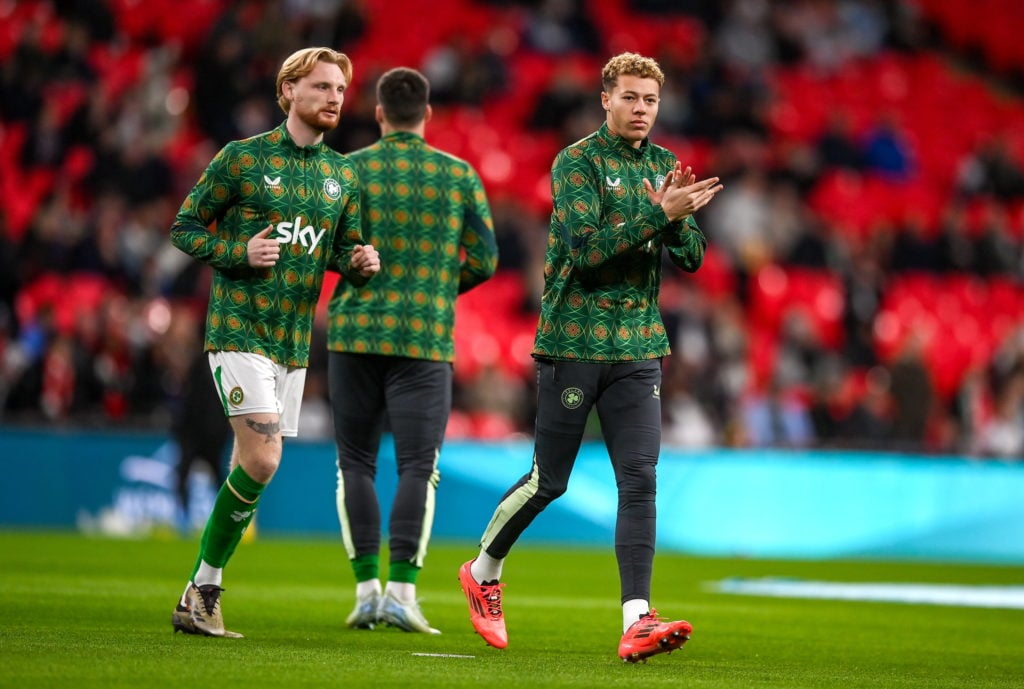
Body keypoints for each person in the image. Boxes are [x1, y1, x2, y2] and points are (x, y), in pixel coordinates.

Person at [457, 52, 723, 662]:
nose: (640, 109)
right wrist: (658, 213)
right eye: (629, 97)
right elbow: (586, 250)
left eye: (650, 100)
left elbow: (692, 258)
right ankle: (483, 570)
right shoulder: (575, 163)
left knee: (640, 480)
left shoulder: (663, 165)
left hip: (637, 347)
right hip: (573, 340)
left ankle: (636, 619)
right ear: (606, 98)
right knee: (549, 481)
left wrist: (679, 222)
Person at [168, 46, 380, 638]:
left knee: (254, 467)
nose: (334, 97)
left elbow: (344, 248)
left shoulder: (344, 175)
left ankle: (197, 595)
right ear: (288, 92)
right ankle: (205, 588)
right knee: (263, 458)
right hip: (238, 327)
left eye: (339, 88)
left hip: (292, 343)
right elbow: (184, 226)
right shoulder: (241, 159)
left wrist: (360, 260)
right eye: (320, 87)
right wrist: (238, 252)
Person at [326, 67, 498, 635]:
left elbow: (325, 248)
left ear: (378, 114)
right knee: (417, 468)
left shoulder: (346, 171)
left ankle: (365, 592)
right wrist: (435, 289)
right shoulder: (459, 176)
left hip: (352, 335)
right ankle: (402, 592)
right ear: (427, 115)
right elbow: (486, 258)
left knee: (355, 463)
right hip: (424, 340)